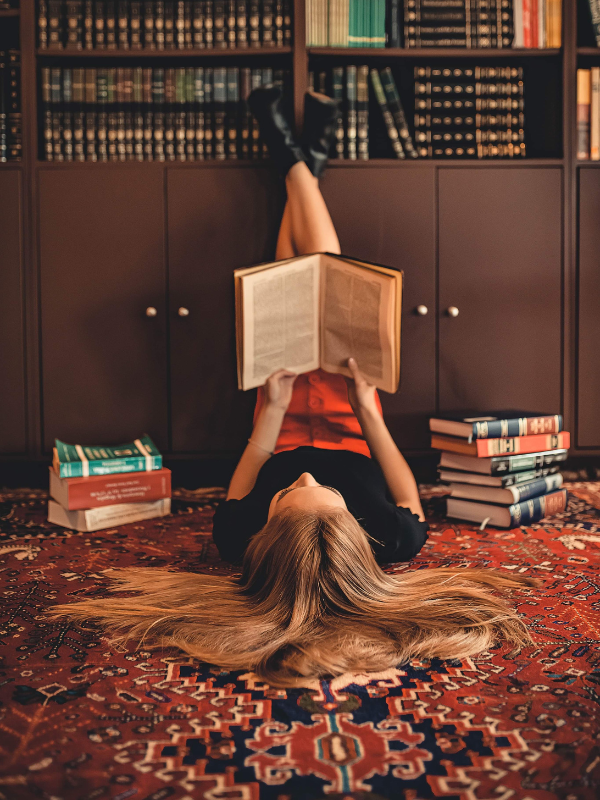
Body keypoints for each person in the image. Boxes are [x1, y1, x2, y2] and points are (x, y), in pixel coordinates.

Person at [51, 87, 537, 688]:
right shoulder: (397, 539)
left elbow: (251, 468)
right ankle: (297, 152)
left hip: (279, 417)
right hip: (350, 418)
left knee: (288, 282)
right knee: (324, 276)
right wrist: (366, 410)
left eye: (289, 497)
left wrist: (273, 410)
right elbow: (402, 483)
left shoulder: (239, 541)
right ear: (357, 531)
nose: (306, 479)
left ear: (270, 533)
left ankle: (302, 155)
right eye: (326, 494)